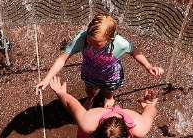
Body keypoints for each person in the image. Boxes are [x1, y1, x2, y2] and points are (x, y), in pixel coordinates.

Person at [36, 13, 164, 107]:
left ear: (110, 39)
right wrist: (47, 78)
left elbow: (135, 52)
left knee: (109, 90)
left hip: (110, 75)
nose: (91, 45)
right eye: (89, 42)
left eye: (96, 44)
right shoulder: (82, 38)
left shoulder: (120, 44)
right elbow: (62, 59)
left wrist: (148, 66)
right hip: (89, 72)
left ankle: (109, 98)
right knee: (89, 88)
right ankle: (91, 97)